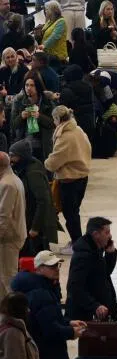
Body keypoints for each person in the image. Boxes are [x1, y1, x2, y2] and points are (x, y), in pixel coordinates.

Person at [11, 250, 86, 359]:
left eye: (57, 265)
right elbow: (50, 329)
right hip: (47, 354)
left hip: (41, 353)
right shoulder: (40, 293)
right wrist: (71, 333)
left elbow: (50, 317)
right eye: (51, 267)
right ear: (38, 269)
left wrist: (69, 322)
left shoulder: (40, 288)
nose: (56, 269)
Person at [44, 106, 91, 254]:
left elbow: (54, 161)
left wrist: (45, 163)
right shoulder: (78, 130)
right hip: (82, 176)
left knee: (70, 214)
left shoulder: (65, 136)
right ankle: (76, 241)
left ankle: (77, 243)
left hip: (70, 179)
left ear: (58, 119)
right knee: (73, 212)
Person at [64, 216, 117, 322]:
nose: (110, 236)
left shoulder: (96, 250)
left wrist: (110, 255)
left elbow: (104, 274)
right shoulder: (83, 256)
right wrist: (94, 306)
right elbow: (74, 287)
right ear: (95, 234)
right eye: (107, 232)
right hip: (89, 315)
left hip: (101, 311)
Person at [9, 140, 58, 255]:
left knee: (35, 255)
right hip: (30, 218)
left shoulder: (33, 173)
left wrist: (35, 227)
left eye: (13, 156)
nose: (11, 159)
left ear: (22, 156)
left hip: (37, 225)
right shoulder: (27, 166)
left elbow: (43, 201)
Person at [11, 72, 55, 162]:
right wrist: (21, 116)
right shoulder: (19, 101)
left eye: (32, 85)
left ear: (38, 87)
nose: (28, 88)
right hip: (24, 144)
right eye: (26, 85)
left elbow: (54, 123)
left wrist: (40, 117)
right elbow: (13, 125)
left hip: (42, 144)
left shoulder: (47, 102)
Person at [0, 152, 24, 297]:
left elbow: (3, 216)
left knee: (8, 279)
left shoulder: (6, 184)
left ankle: (13, 313)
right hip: (11, 235)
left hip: (8, 239)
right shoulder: (13, 179)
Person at [59, 64, 95, 139]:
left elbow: (62, 109)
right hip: (89, 121)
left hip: (73, 124)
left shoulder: (66, 90)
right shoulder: (88, 87)